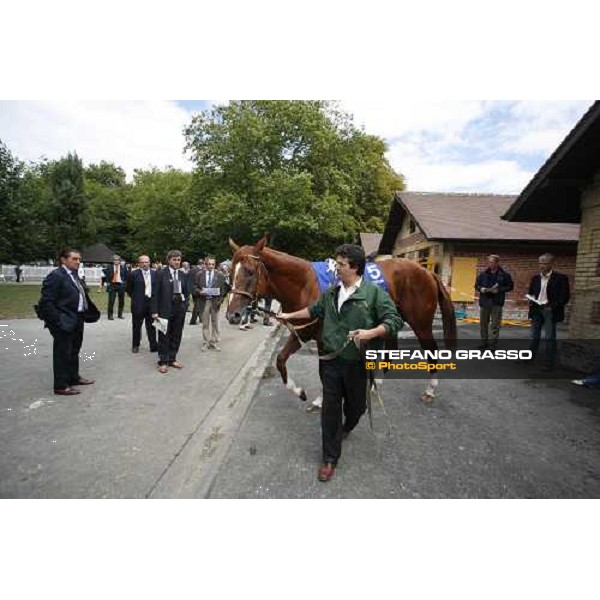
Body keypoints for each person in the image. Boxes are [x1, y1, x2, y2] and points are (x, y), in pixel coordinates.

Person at [278, 244, 401, 482]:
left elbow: (394, 321)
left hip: (358, 364)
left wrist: (371, 332)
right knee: (331, 409)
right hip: (331, 362)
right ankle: (329, 458)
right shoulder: (332, 293)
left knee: (356, 407)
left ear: (354, 268)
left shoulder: (374, 294)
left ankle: (350, 423)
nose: (336, 268)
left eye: (341, 265)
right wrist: (288, 315)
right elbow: (313, 310)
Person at [38, 248, 99, 395]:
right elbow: (46, 301)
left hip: (78, 318)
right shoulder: (56, 276)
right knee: (62, 353)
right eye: (74, 259)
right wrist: (58, 321)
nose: (78, 262)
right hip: (64, 320)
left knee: (74, 350)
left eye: (79, 259)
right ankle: (60, 385)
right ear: (63, 260)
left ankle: (73, 377)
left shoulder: (74, 275)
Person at [526, 253, 571, 371]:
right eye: (540, 263)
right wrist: (530, 299)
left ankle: (549, 363)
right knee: (534, 336)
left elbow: (565, 296)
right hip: (537, 310)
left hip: (550, 311)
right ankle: (529, 359)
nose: (542, 266)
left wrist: (552, 307)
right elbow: (531, 292)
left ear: (551, 264)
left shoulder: (561, 278)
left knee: (549, 337)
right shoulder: (535, 278)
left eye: (545, 263)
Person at [151, 250, 191, 373]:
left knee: (176, 335)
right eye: (174, 259)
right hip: (164, 310)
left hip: (179, 310)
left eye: (178, 260)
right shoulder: (160, 273)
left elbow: (186, 292)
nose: (177, 262)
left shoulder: (183, 275)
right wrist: (154, 311)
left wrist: (184, 305)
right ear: (168, 260)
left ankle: (172, 358)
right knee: (164, 335)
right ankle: (163, 361)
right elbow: (155, 293)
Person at [474, 254, 514, 349]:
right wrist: (481, 289)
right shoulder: (483, 274)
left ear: (497, 262)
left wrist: (499, 289)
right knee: (483, 324)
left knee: (495, 324)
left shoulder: (504, 275)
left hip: (497, 302)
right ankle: (484, 342)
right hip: (484, 302)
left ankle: (492, 344)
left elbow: (510, 287)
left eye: (492, 262)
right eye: (489, 262)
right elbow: (476, 286)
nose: (490, 264)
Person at [194, 256, 230, 351]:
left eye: (213, 264)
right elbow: (194, 287)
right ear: (205, 264)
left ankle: (213, 342)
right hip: (204, 301)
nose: (211, 266)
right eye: (209, 264)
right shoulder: (199, 275)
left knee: (215, 323)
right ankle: (206, 342)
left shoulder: (220, 275)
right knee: (205, 323)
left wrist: (220, 300)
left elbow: (224, 290)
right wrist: (199, 292)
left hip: (215, 302)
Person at [126, 255, 158, 354]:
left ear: (149, 263)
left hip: (151, 305)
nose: (144, 264)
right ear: (139, 263)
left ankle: (153, 345)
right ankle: (135, 345)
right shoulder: (133, 274)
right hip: (138, 304)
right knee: (136, 326)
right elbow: (129, 290)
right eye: (142, 262)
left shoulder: (155, 274)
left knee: (152, 326)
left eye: (146, 262)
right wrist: (137, 298)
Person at [103, 255, 128, 320]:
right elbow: (107, 276)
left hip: (121, 285)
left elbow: (126, 276)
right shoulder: (109, 267)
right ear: (113, 261)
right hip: (112, 285)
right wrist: (108, 283)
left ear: (119, 261)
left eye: (117, 260)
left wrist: (124, 284)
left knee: (121, 301)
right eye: (115, 260)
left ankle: (120, 314)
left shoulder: (123, 267)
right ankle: (110, 315)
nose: (116, 261)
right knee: (111, 301)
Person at [189, 259, 206, 325]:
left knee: (198, 305)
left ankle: (201, 318)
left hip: (194, 290)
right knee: (197, 305)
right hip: (198, 290)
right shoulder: (200, 271)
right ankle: (193, 320)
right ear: (202, 264)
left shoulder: (192, 270)